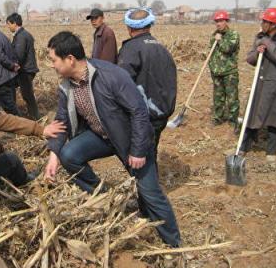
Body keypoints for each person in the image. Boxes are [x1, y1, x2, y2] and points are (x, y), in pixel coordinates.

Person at [43, 31, 181, 247]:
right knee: (68, 155)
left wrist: (137, 150)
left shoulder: (111, 75)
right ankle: (106, 197)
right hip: (101, 136)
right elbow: (62, 121)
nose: (51, 65)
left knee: (151, 193)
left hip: (128, 140)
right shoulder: (66, 85)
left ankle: (174, 244)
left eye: (53, 60)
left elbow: (139, 112)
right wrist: (54, 155)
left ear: (70, 59)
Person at [118, 8, 177, 166]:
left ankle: (148, 188)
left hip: (142, 117)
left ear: (129, 28)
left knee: (140, 155)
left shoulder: (130, 49)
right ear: (150, 25)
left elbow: (122, 84)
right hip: (162, 113)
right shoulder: (162, 49)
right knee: (151, 149)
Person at [239, 8, 276, 161]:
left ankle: (271, 151)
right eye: (262, 21)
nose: (262, 24)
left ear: (274, 25)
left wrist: (267, 43)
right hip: (261, 82)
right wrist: (257, 51)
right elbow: (250, 59)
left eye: (265, 21)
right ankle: (244, 147)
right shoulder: (260, 37)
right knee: (252, 113)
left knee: (275, 116)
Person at [207, 10, 240, 131]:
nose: (218, 24)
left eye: (221, 21)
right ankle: (218, 118)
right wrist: (211, 67)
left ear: (226, 21)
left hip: (229, 72)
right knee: (218, 97)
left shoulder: (233, 35)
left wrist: (220, 40)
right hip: (216, 72)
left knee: (232, 98)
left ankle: (233, 120)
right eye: (217, 21)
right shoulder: (214, 35)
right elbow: (212, 53)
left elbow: (228, 49)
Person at [6, 13, 41, 120]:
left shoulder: (21, 36)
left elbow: (19, 55)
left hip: (26, 70)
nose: (8, 26)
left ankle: (36, 117)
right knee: (15, 88)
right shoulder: (22, 34)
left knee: (27, 94)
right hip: (25, 69)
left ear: (14, 23)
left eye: (8, 24)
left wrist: (11, 66)